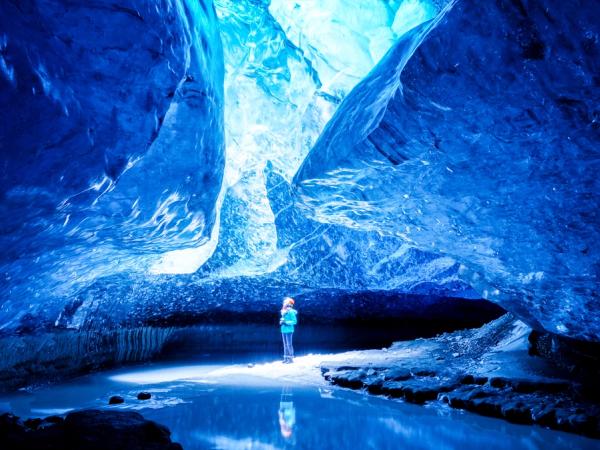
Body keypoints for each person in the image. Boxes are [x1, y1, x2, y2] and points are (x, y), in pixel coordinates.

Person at [279, 297, 297, 364]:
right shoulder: (284, 312)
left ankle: (290, 359)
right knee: (285, 344)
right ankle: (286, 358)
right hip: (283, 330)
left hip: (289, 330)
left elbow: (294, 321)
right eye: (284, 302)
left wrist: (286, 322)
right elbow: (283, 320)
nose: (284, 303)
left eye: (285, 302)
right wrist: (281, 322)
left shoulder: (291, 312)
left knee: (289, 344)